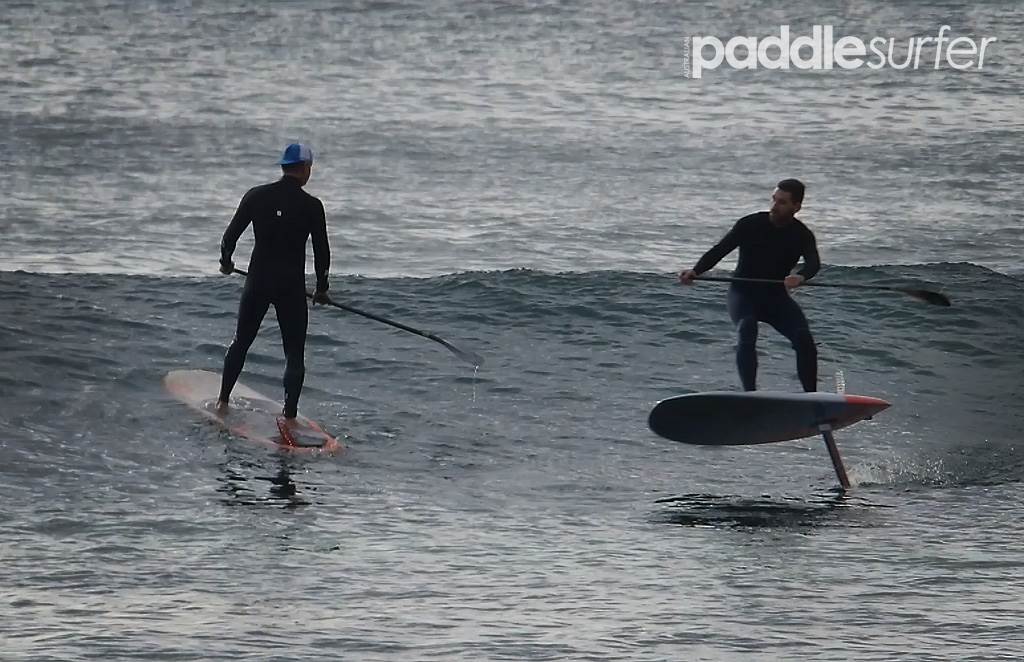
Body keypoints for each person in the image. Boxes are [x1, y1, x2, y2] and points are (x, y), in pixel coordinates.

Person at [217, 143, 331, 421]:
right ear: (304, 169)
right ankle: (289, 416)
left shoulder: (256, 196)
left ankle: (222, 402)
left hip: (258, 281)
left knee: (241, 342)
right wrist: (321, 288)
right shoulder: (312, 206)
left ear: (284, 166)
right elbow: (322, 252)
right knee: (294, 354)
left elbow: (229, 238)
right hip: (291, 287)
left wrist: (226, 262)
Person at [679, 179, 820, 392]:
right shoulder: (750, 224)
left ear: (796, 207)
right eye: (774, 200)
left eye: (782, 202)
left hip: (776, 298)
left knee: (804, 338)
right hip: (743, 293)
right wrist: (696, 271)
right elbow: (720, 249)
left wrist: (800, 277)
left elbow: (813, 263)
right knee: (747, 327)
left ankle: (812, 398)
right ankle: (750, 394)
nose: (774, 206)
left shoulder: (802, 234)